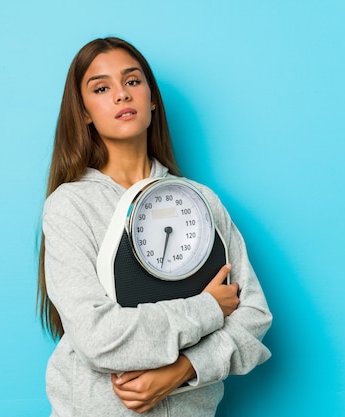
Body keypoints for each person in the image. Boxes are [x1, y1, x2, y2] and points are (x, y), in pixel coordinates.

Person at [37, 37, 272, 416]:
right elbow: (99, 337)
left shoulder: (202, 201)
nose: (121, 95)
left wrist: (183, 370)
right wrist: (209, 307)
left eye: (132, 82)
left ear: (152, 99)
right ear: (83, 113)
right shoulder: (70, 205)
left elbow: (253, 317)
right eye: (101, 87)